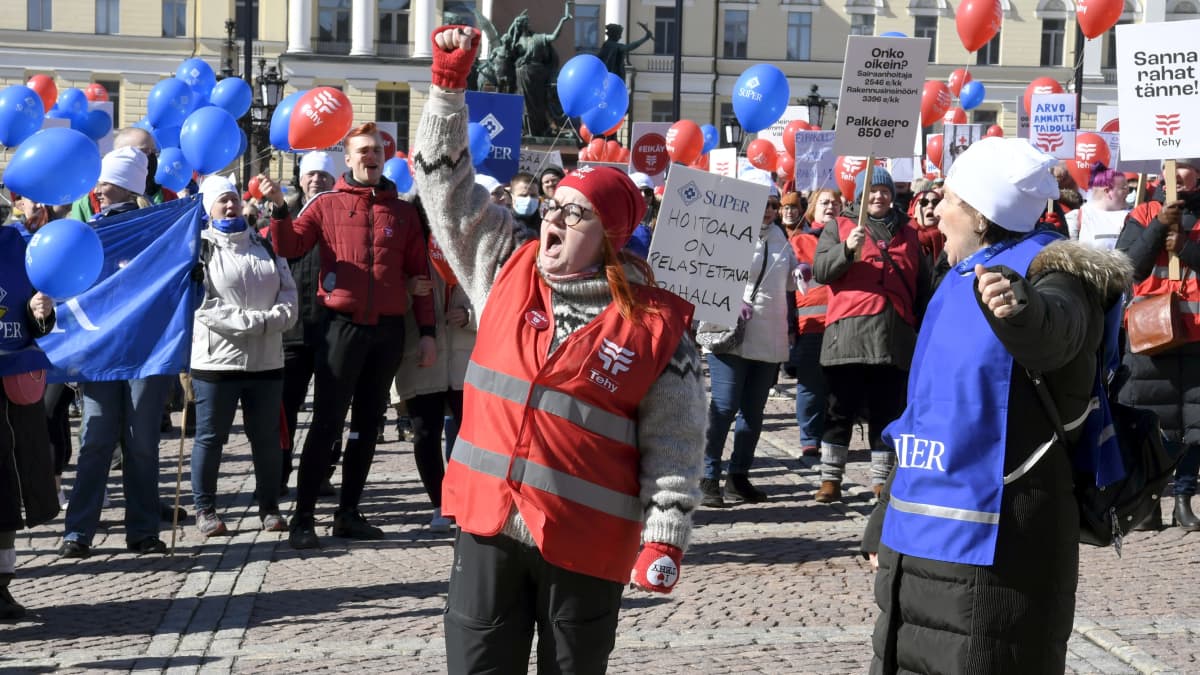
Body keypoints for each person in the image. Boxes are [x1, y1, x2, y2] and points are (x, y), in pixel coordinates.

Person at [415, 26, 706, 673]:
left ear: (610, 237)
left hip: (586, 540)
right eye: (554, 205)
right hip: (489, 524)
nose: (553, 217)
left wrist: (666, 534)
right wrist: (445, 89)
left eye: (576, 213)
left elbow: (677, 442)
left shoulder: (658, 327)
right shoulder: (503, 267)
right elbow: (445, 188)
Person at [863, 136, 1129, 674]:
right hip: (917, 542)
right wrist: (882, 517)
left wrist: (1020, 309)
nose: (935, 211)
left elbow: (1055, 331)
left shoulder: (1055, 273)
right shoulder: (956, 277)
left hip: (996, 547)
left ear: (982, 215)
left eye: (950, 200)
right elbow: (924, 415)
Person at [260, 122, 437, 550]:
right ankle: (304, 517)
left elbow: (419, 275)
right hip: (341, 327)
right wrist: (280, 209)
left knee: (369, 424)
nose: (370, 156)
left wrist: (428, 331)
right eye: (362, 150)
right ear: (349, 158)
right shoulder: (326, 204)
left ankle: (348, 513)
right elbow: (290, 246)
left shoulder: (405, 211)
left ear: (384, 156)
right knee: (326, 422)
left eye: (376, 149)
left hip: (389, 331)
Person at [60, 146, 174, 558]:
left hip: (147, 349)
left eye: (105, 182)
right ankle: (79, 530)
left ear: (124, 185)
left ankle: (142, 529)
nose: (98, 189)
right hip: (101, 350)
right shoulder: (90, 228)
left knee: (140, 441)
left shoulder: (157, 229)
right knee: (97, 436)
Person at [813, 166, 931, 503]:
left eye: (884, 190)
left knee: (888, 411)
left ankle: (881, 480)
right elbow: (822, 271)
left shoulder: (909, 234)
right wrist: (846, 250)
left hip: (893, 338)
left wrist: (919, 329)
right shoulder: (839, 227)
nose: (879, 196)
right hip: (847, 336)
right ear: (859, 196)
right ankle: (830, 479)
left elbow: (922, 287)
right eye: (872, 191)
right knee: (839, 410)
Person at [189, 176, 298, 536]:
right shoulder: (198, 248)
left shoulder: (265, 245)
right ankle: (205, 507)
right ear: (208, 207)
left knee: (266, 437)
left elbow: (289, 294)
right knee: (211, 437)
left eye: (234, 199)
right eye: (222, 201)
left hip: (266, 361)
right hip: (217, 362)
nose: (231, 206)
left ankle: (269, 505)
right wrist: (256, 322)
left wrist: (272, 321)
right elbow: (202, 305)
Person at [1115, 156, 1200, 530]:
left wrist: (1186, 247)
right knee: (1154, 421)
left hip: (1196, 334)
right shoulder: (1143, 212)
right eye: (1173, 165)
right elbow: (1127, 267)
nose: (1177, 174)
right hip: (1151, 334)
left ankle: (1184, 497)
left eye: (1186, 167)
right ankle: (1150, 502)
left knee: (1195, 424)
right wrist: (1157, 228)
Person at [699, 190, 798, 507]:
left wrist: (800, 273)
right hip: (731, 334)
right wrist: (731, 301)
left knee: (753, 413)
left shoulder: (781, 236)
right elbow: (709, 277)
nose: (769, 211)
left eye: (774, 205)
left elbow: (787, 283)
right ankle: (707, 475)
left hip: (768, 337)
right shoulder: (729, 233)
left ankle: (739, 477)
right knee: (725, 407)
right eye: (763, 205)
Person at [391, 201, 476, 533]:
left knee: (472, 433)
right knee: (425, 433)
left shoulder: (469, 250)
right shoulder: (407, 251)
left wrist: (469, 317)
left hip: (465, 356)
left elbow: (492, 298)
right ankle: (439, 502)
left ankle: (465, 498)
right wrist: (407, 290)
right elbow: (386, 296)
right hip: (420, 354)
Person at [0, 223, 57, 619]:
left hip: (14, 386)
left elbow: (37, 320)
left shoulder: (16, 246)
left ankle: (1, 587)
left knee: (8, 489)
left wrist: (43, 314)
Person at [278, 151, 337, 495]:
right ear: (301, 178)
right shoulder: (283, 215)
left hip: (332, 329)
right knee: (284, 409)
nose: (316, 180)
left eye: (323, 176)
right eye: (311, 175)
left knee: (330, 410)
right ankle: (279, 473)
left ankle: (322, 474)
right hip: (291, 331)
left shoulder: (341, 213)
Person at [788, 188, 837, 457]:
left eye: (835, 203)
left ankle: (832, 437)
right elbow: (788, 289)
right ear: (813, 210)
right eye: (824, 203)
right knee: (810, 385)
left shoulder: (849, 240)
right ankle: (810, 437)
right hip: (810, 326)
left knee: (837, 387)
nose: (830, 207)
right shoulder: (800, 242)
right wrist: (790, 327)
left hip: (842, 324)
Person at [68, 127, 174, 222]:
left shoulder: (169, 197)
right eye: (143, 151)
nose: (151, 157)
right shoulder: (88, 201)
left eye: (154, 152)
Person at [507, 5, 571, 136]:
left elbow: (553, 36)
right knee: (525, 104)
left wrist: (562, 21)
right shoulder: (518, 42)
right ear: (520, 26)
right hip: (523, 75)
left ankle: (541, 129)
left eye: (527, 23)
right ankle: (528, 130)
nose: (527, 25)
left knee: (539, 103)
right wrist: (513, 28)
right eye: (524, 23)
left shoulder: (538, 37)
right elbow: (510, 49)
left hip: (538, 75)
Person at [1068, 163, 1131, 250]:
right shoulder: (1079, 216)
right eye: (1123, 188)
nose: (1128, 192)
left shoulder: (1133, 217)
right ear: (1108, 191)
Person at [623, 171, 656, 259]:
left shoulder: (661, 219)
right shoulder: (618, 220)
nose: (643, 195)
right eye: (638, 190)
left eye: (648, 192)